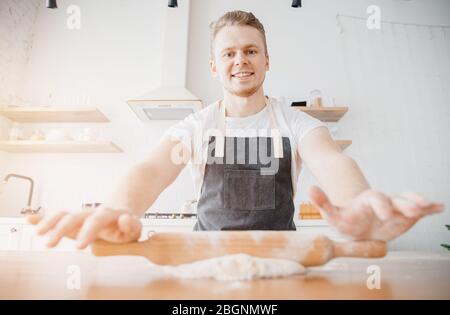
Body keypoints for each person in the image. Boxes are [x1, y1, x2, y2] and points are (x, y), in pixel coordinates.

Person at [28, 10, 443, 249]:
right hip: (203, 258)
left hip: (283, 259)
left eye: (250, 51)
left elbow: (332, 159)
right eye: (229, 53)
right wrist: (117, 209)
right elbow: (152, 169)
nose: (240, 60)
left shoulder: (296, 123)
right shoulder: (197, 126)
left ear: (266, 60)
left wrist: (359, 202)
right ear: (215, 66)